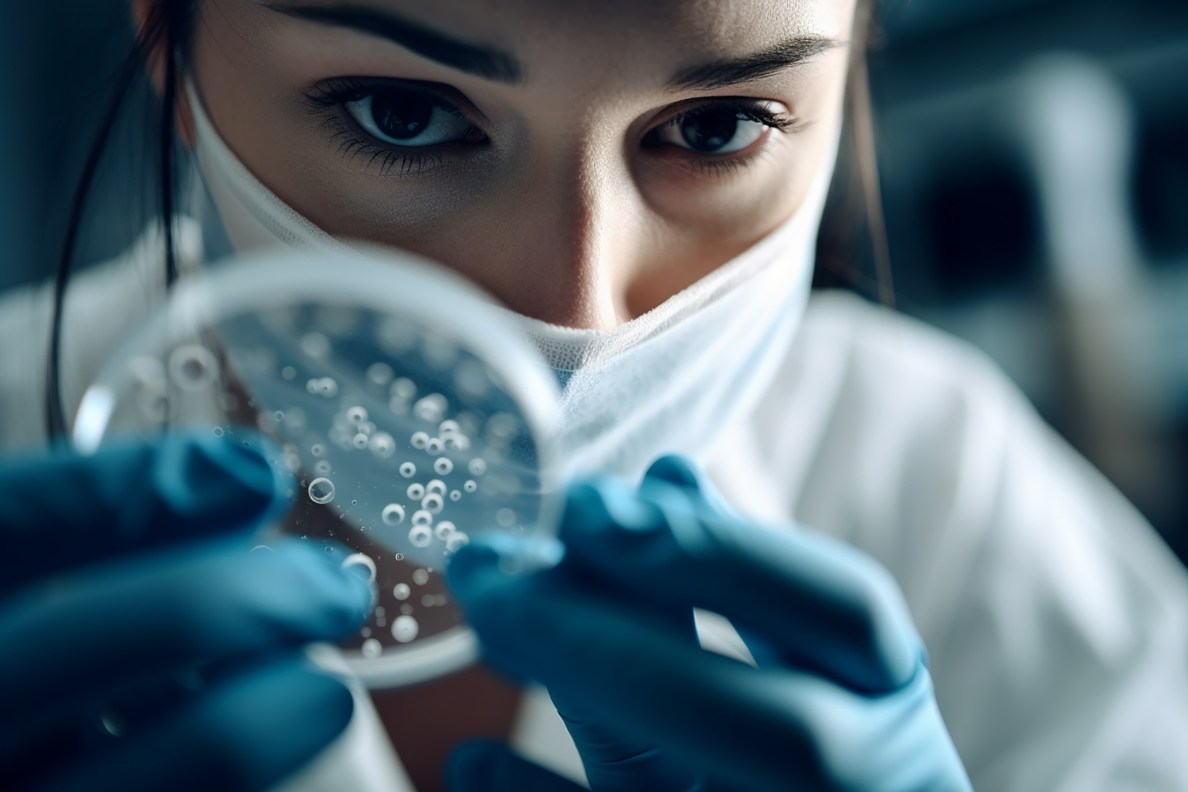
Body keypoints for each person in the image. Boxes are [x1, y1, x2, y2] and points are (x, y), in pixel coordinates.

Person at [2, 0, 1186, 790]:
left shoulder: (934, 474)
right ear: (168, 41)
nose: (575, 314)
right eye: (403, 113)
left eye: (715, 126)